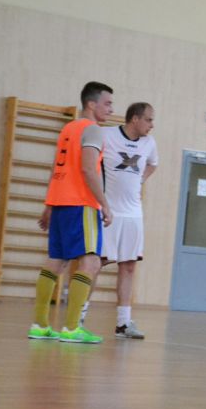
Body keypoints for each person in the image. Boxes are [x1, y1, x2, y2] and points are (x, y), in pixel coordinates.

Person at [28, 81, 113, 344]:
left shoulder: (68, 128)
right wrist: (105, 204)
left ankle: (40, 325)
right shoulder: (93, 130)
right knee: (91, 262)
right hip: (82, 204)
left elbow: (57, 169)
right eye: (107, 103)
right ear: (91, 103)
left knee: (56, 261)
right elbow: (88, 169)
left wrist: (49, 205)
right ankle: (72, 327)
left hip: (61, 203)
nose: (111, 109)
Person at [80, 102, 158, 339]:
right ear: (135, 119)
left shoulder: (149, 143)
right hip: (108, 212)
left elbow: (153, 164)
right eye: (149, 120)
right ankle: (78, 317)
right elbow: (89, 163)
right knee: (95, 264)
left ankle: (123, 323)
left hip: (133, 214)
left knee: (129, 266)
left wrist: (140, 180)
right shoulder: (106, 135)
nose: (152, 125)